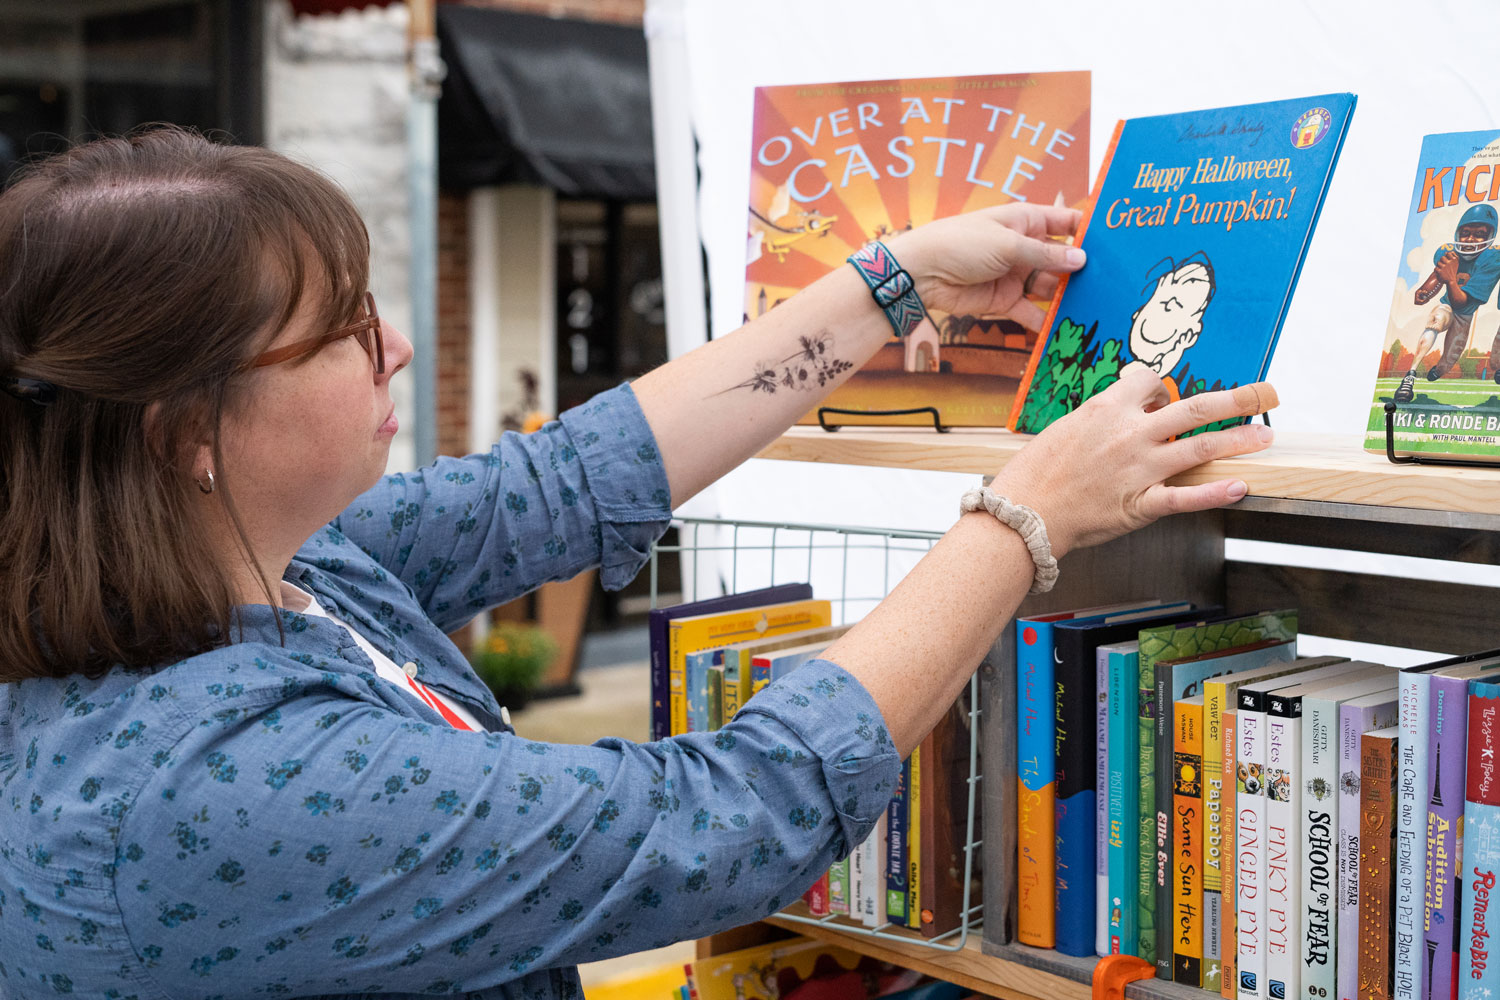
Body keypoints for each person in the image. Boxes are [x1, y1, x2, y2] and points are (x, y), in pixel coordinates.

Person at [0, 128, 1277, 999]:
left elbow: (566, 481)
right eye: (338, 330)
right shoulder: (210, 781)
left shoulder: (271, 568)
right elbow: (721, 818)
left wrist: (897, 283)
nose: (392, 349)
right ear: (186, 438)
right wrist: (1022, 522)